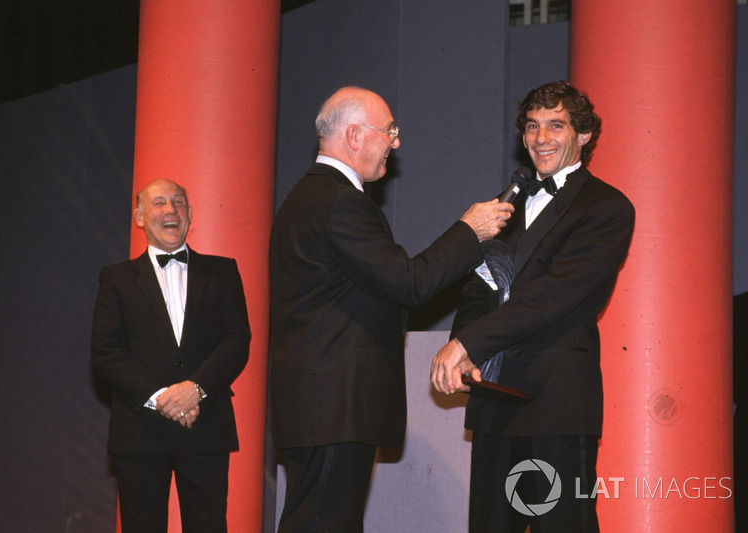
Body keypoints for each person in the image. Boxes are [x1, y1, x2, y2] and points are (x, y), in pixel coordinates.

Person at [269, 86, 515, 532]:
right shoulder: (340, 201)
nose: (396, 143)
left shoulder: (306, 198)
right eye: (390, 131)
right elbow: (409, 283)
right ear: (356, 135)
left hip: (320, 405)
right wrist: (469, 230)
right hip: (334, 407)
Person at [431, 81, 635, 533]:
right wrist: (466, 352)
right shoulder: (505, 207)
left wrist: (469, 342)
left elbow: (554, 294)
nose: (541, 138)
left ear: (583, 136)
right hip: (494, 398)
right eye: (532, 126)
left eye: (556, 126)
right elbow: (479, 286)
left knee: (562, 525)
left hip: (555, 402)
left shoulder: (607, 207)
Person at [91, 179, 251, 533]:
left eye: (178, 202)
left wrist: (195, 388)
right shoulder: (116, 279)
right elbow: (105, 351)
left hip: (206, 423)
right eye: (159, 203)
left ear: (190, 214)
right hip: (140, 429)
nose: (170, 210)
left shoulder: (223, 272)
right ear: (139, 216)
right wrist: (163, 397)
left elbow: (238, 340)